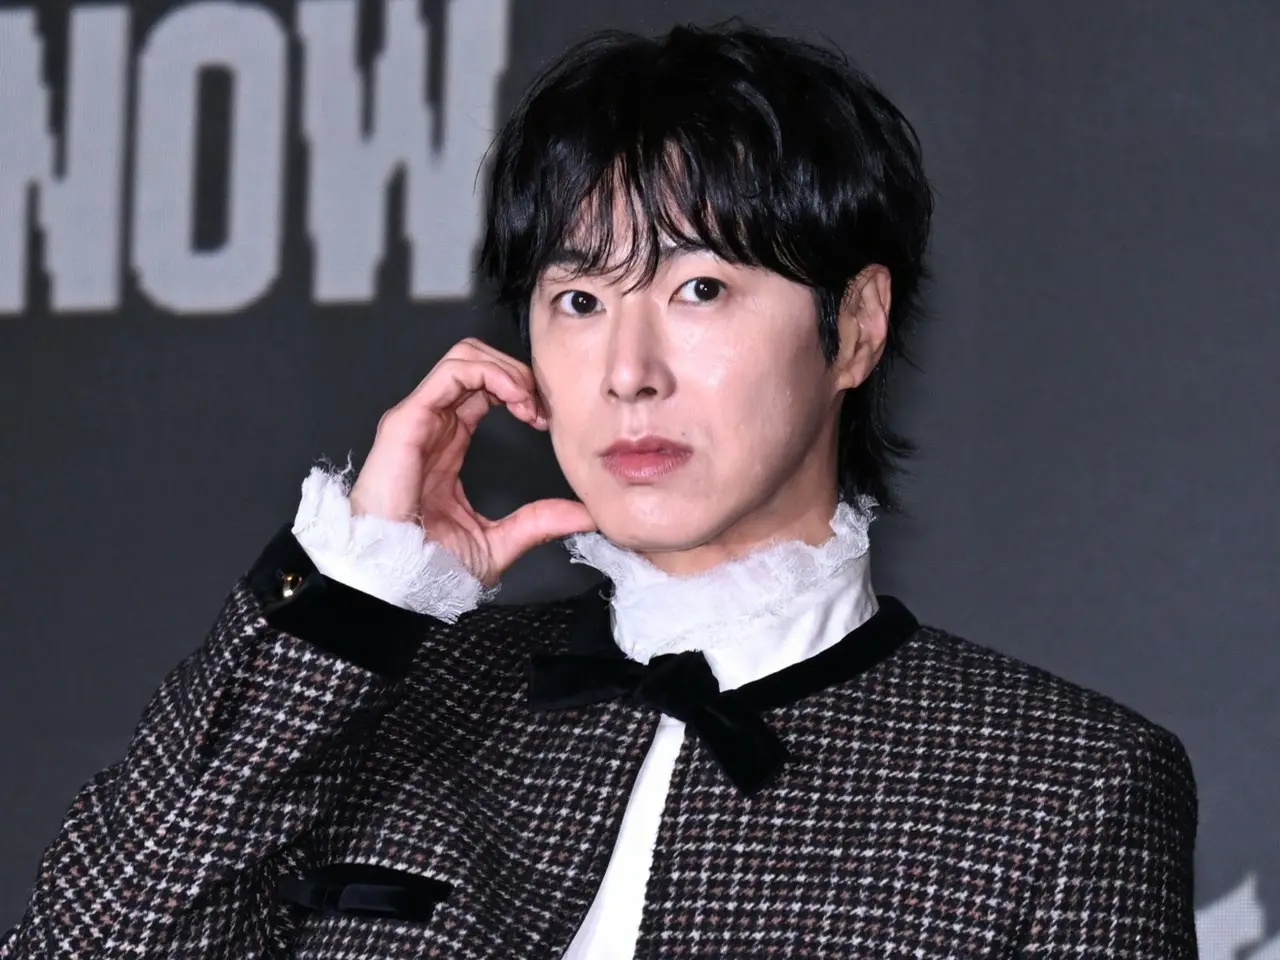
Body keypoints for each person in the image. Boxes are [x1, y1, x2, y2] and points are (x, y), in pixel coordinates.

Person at [1, 20, 1197, 960]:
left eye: (698, 290)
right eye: (577, 300)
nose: (628, 371)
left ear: (854, 328)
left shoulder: (1063, 787)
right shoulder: (390, 699)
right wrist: (354, 594)